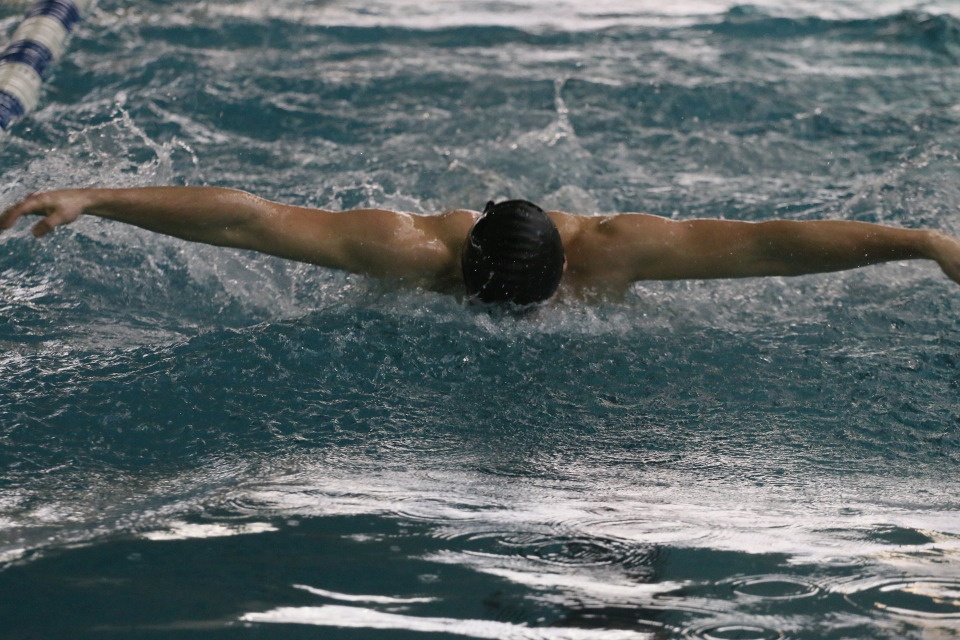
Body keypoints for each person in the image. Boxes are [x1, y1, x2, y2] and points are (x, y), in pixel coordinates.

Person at [2, 186, 960, 304]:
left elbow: (771, 249)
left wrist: (923, 240)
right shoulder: (407, 249)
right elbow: (245, 220)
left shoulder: (619, 249)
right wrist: (104, 199)